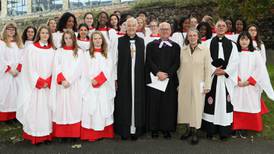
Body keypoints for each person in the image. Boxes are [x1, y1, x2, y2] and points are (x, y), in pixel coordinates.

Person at [16, 25, 55, 144]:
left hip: (48, 86)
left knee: (47, 110)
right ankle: (35, 136)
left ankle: (47, 134)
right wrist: (39, 81)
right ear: (39, 34)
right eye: (42, 33)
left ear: (49, 35)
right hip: (36, 86)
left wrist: (48, 81)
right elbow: (28, 67)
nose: (45, 35)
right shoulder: (32, 48)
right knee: (35, 110)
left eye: (47, 33)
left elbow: (55, 67)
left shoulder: (52, 50)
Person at [231, 31, 274, 138]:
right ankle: (237, 127)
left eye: (246, 39)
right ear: (238, 41)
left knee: (248, 104)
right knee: (237, 104)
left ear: (250, 41)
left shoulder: (255, 53)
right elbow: (231, 68)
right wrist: (237, 80)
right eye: (242, 39)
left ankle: (245, 127)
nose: (244, 41)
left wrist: (249, 81)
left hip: (250, 85)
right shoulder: (235, 53)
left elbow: (260, 69)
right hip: (238, 84)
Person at [202, 20, 239, 140]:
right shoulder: (206, 44)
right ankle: (210, 131)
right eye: (219, 26)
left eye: (223, 26)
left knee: (224, 104)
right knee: (210, 103)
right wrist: (214, 69)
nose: (221, 28)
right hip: (212, 78)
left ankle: (224, 132)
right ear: (215, 28)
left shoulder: (232, 45)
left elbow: (235, 61)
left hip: (225, 79)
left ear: (226, 28)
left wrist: (225, 71)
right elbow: (205, 60)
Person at [146, 22, 180, 139]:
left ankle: (166, 128)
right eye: (162, 29)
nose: (165, 31)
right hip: (155, 78)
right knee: (154, 104)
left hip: (169, 80)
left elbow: (177, 63)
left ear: (170, 31)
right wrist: (157, 72)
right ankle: (154, 128)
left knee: (168, 105)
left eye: (167, 29)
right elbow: (149, 61)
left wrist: (167, 74)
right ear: (158, 31)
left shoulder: (176, 46)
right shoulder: (151, 45)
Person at [178, 28, 212, 145]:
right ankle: (188, 129)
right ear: (187, 37)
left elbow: (208, 69)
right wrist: (179, 83)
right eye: (190, 35)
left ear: (198, 37)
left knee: (197, 107)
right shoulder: (183, 50)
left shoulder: (205, 50)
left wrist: (207, 84)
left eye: (194, 35)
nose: (192, 37)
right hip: (185, 83)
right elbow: (179, 69)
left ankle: (195, 132)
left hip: (199, 84)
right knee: (186, 106)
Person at [114, 17, 146, 140]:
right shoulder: (119, 41)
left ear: (137, 27)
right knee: (124, 102)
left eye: (134, 25)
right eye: (129, 25)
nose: (131, 28)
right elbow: (114, 61)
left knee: (137, 102)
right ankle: (125, 130)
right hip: (124, 77)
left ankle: (136, 130)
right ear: (125, 27)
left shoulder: (141, 41)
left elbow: (143, 60)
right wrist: (115, 78)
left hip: (137, 77)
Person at [81, 31, 115, 141]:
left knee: (102, 108)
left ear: (103, 40)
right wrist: (92, 80)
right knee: (92, 108)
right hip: (90, 86)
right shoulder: (86, 54)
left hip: (104, 86)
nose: (97, 40)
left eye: (99, 38)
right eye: (95, 38)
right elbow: (84, 70)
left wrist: (99, 80)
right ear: (92, 41)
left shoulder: (107, 54)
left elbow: (109, 69)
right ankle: (92, 134)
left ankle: (104, 133)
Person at [51, 30, 83, 140]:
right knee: (61, 109)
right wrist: (62, 80)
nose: (68, 40)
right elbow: (56, 66)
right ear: (63, 39)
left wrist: (70, 81)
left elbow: (79, 68)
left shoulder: (79, 51)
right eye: (66, 38)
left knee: (74, 108)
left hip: (73, 85)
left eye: (70, 38)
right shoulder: (59, 51)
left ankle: (73, 134)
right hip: (62, 85)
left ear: (74, 39)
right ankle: (62, 134)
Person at [0, 22, 23, 122]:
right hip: (7, 72)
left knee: (17, 94)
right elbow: (1, 58)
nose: (11, 31)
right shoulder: (2, 43)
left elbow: (23, 57)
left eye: (13, 29)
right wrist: (9, 69)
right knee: (7, 94)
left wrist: (18, 68)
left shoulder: (19, 43)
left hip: (18, 73)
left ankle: (15, 116)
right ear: (5, 30)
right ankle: (6, 117)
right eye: (9, 29)